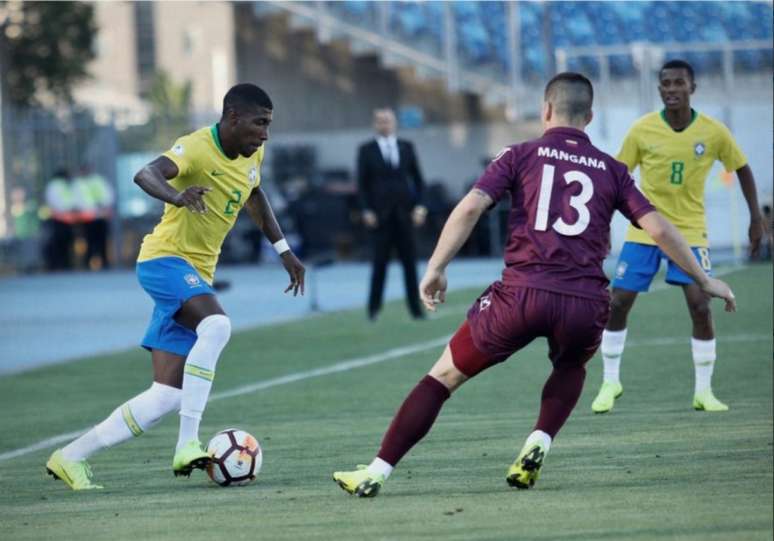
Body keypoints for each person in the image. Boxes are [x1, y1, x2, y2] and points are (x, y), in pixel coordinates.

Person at [333, 73, 737, 497]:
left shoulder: (520, 154)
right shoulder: (613, 170)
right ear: (591, 116)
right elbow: (659, 229)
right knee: (571, 366)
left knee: (443, 377)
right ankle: (539, 441)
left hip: (522, 295)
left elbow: (471, 206)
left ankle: (377, 470)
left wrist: (436, 266)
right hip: (583, 303)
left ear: (546, 110)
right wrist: (704, 278)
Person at [45, 83, 306, 490]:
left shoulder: (253, 151)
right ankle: (187, 443)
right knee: (217, 326)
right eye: (260, 124)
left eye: (269, 125)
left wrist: (283, 250)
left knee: (164, 396)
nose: (265, 134)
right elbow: (144, 173)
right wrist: (176, 196)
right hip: (164, 260)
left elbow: (254, 193)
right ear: (233, 117)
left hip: (194, 273)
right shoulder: (197, 147)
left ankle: (69, 458)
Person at [590, 59, 763, 415]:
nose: (671, 89)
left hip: (689, 231)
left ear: (692, 88)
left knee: (700, 305)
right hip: (645, 229)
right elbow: (617, 177)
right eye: (665, 84)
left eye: (678, 83)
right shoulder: (642, 130)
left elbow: (742, 168)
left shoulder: (714, 132)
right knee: (618, 301)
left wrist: (755, 216)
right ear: (659, 89)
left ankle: (704, 391)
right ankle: (610, 381)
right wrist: (604, 222)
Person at [357, 108, 427, 320]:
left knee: (410, 264)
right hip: (380, 217)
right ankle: (373, 309)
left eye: (387, 121)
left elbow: (418, 179)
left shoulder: (407, 147)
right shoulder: (366, 150)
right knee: (379, 264)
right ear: (375, 124)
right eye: (380, 121)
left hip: (405, 215)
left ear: (394, 123)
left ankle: (416, 309)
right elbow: (362, 184)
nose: (384, 124)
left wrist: (420, 206)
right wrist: (366, 210)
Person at [73, 166, 114, 270]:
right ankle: (88, 263)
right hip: (87, 217)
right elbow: (77, 201)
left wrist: (103, 205)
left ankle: (104, 262)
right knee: (89, 241)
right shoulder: (78, 183)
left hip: (100, 216)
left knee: (102, 241)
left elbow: (108, 195)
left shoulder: (98, 180)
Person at [43, 168, 77, 271]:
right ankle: (60, 264)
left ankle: (62, 264)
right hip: (60, 219)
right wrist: (70, 208)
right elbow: (59, 202)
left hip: (64, 219)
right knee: (60, 243)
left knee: (63, 243)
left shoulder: (57, 186)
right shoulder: (58, 186)